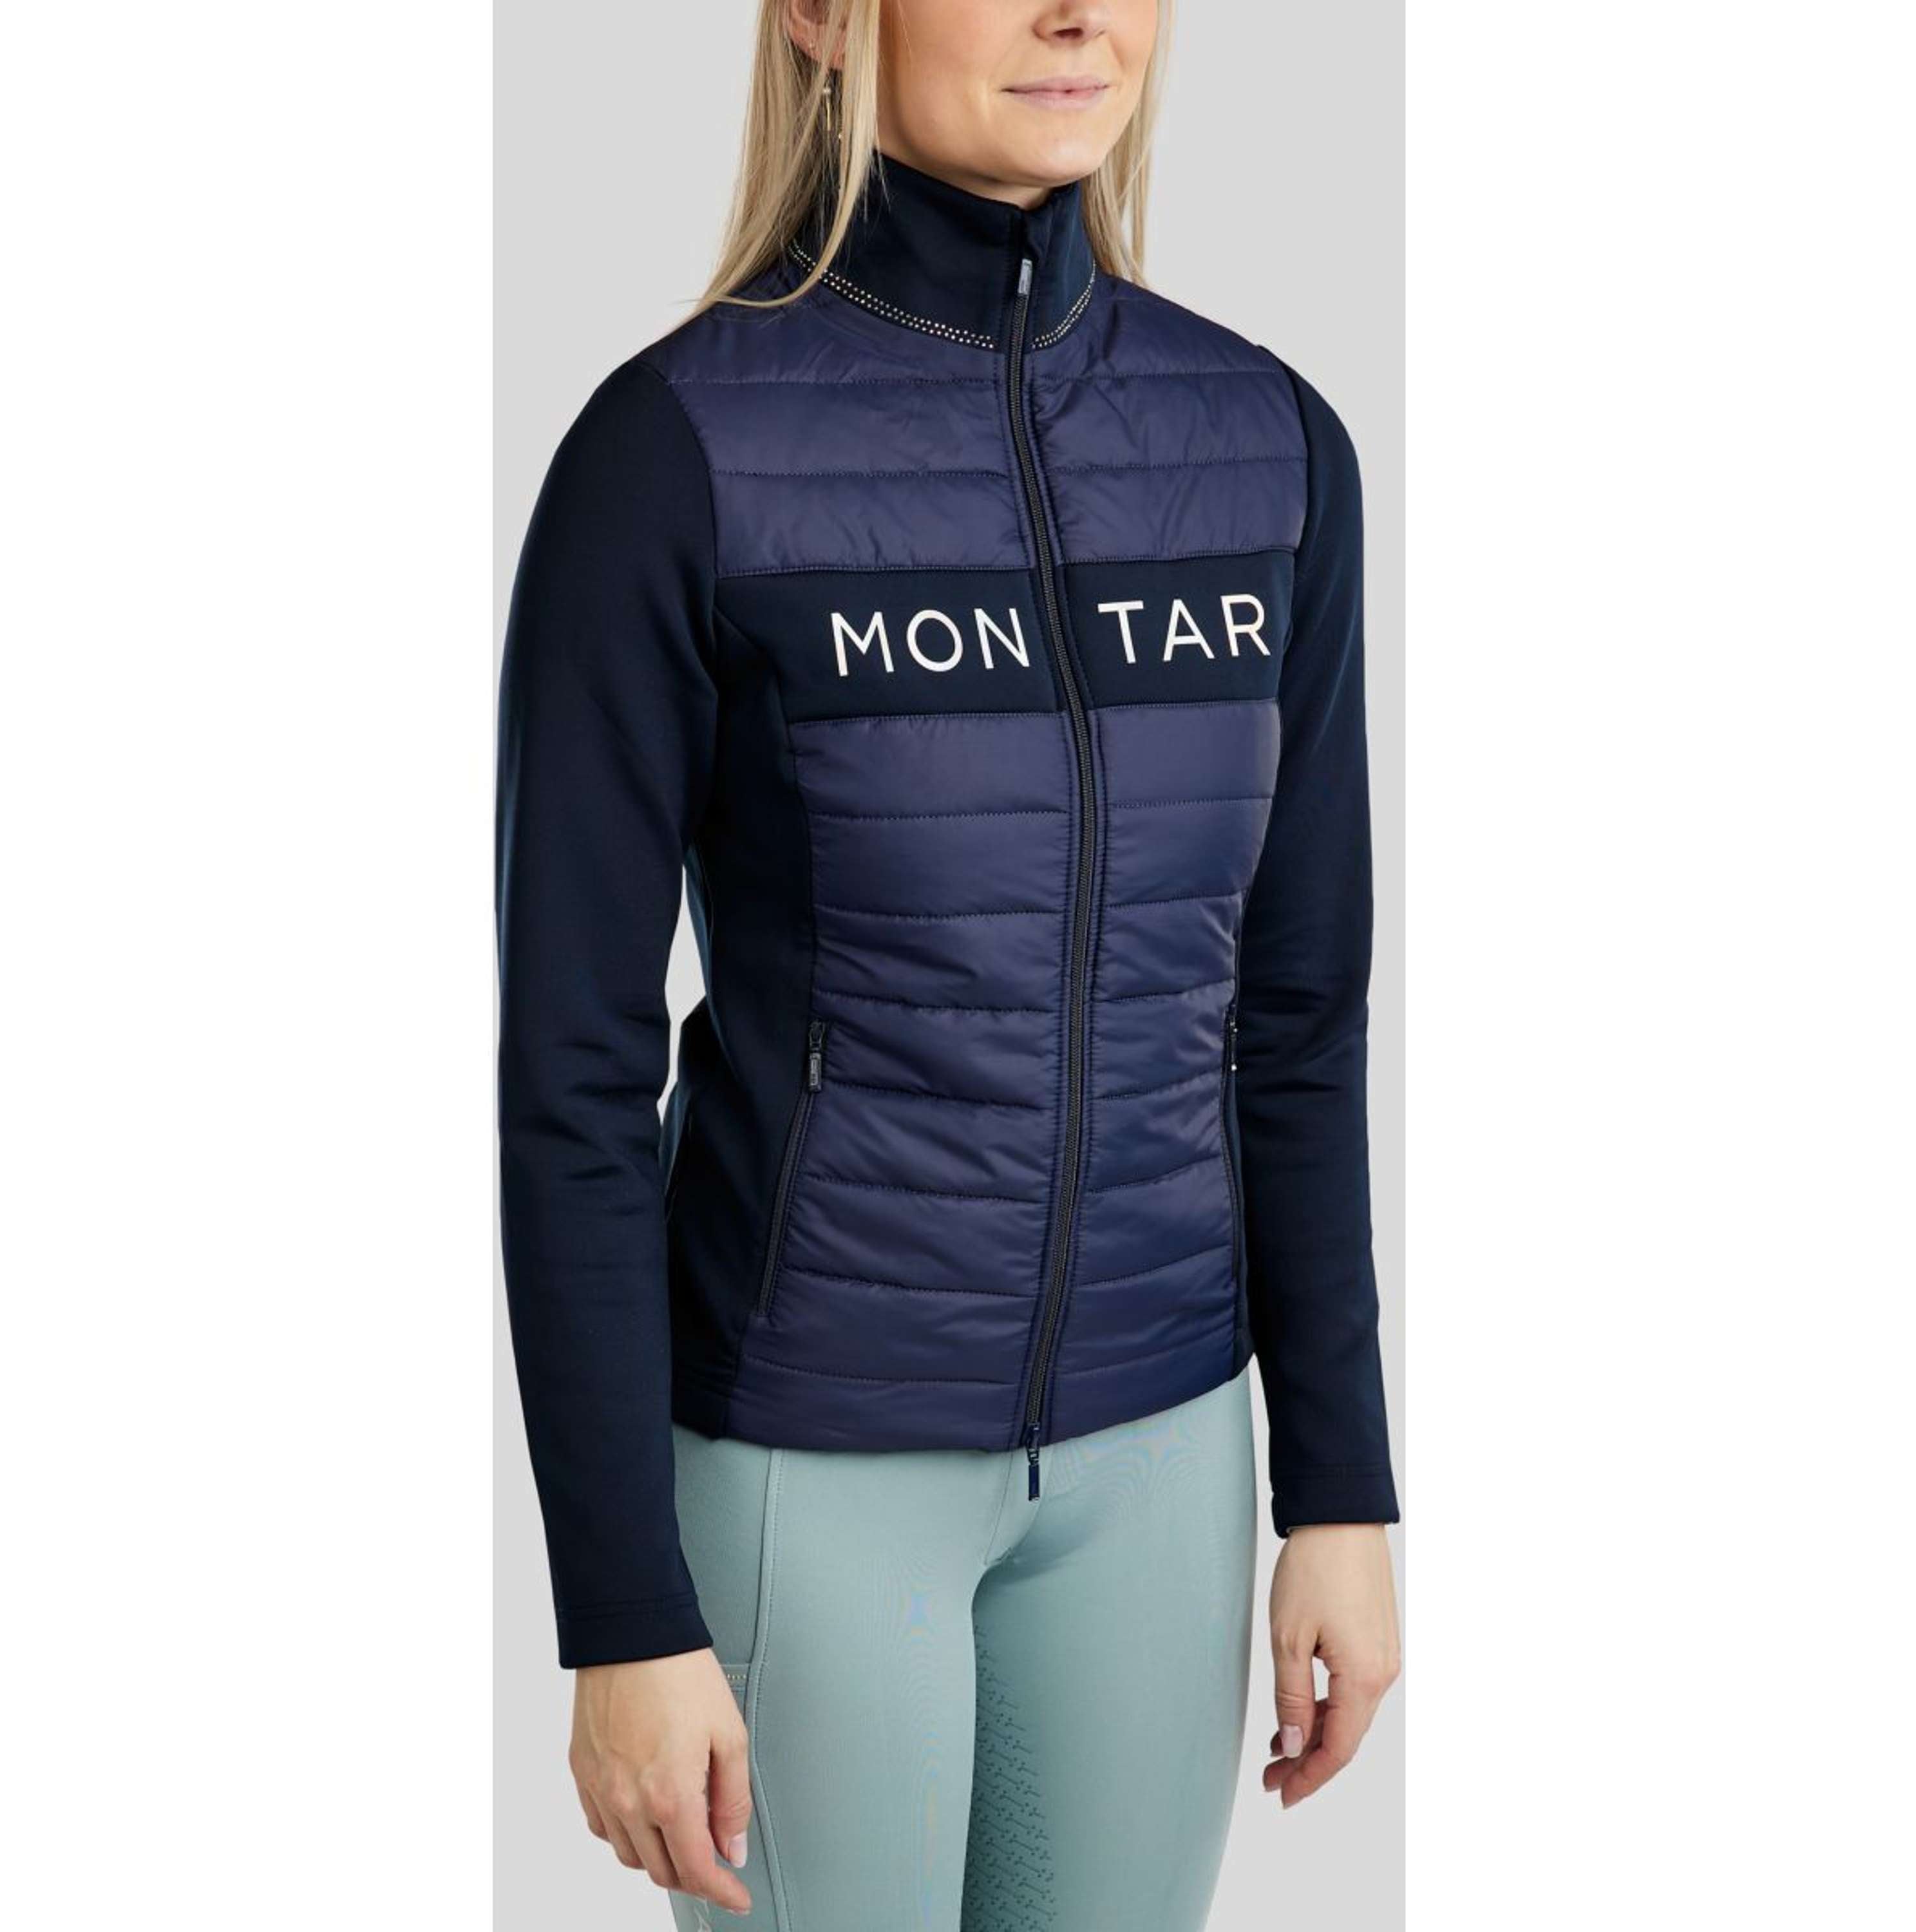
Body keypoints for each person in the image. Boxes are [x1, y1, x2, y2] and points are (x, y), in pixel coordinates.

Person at [496, 1, 1401, 1924]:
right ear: (826, 13)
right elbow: (572, 1075)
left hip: (1166, 1454)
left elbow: (1299, 1016)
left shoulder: (1270, 446)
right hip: (811, 1466)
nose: (1078, 13)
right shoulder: (675, 456)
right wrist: (621, 1611)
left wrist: (1339, 1486)